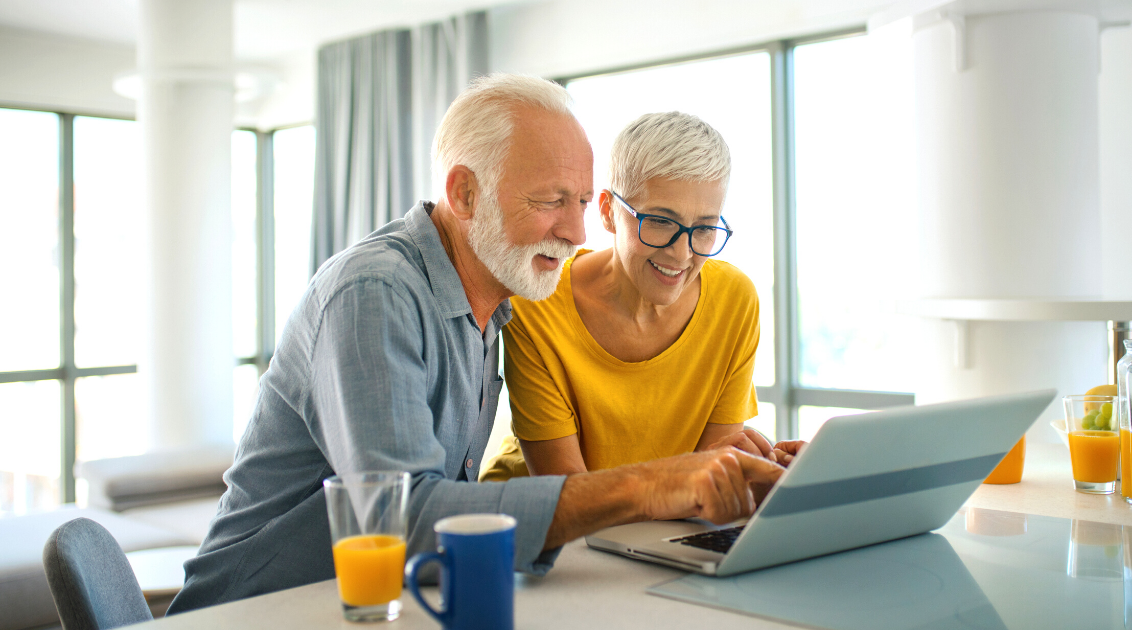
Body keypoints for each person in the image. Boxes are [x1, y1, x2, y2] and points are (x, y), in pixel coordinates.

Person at [167, 74, 785, 614]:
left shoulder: (495, 304)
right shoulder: (376, 292)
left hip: (382, 605)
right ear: (463, 193)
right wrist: (648, 484)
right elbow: (404, 522)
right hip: (259, 612)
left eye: (576, 202)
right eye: (548, 202)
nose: (574, 233)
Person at [481, 112, 787, 482]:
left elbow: (710, 482)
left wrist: (768, 476)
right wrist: (691, 483)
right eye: (660, 221)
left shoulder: (734, 301)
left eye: (704, 228)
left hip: (660, 529)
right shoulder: (539, 299)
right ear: (609, 212)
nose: (682, 254)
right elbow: (565, 494)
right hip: (537, 529)